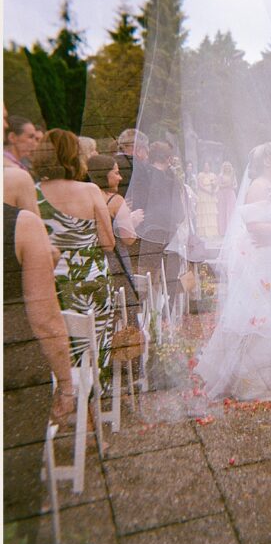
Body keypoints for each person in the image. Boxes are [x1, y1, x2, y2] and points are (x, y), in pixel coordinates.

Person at [194, 142, 271, 400]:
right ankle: (252, 380)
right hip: (262, 256)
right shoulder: (258, 186)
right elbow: (254, 225)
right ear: (268, 160)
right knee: (261, 308)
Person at [3, 201, 75, 544]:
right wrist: (66, 384)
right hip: (13, 371)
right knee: (15, 479)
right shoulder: (22, 225)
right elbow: (45, 319)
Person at [32, 129, 117, 385]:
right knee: (95, 340)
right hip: (92, 280)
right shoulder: (90, 190)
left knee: (61, 343)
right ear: (75, 157)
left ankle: (64, 392)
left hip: (52, 283)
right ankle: (93, 397)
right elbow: (109, 243)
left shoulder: (33, 192)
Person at [133, 140, 186, 304]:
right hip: (169, 232)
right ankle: (167, 308)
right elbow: (180, 213)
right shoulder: (172, 179)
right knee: (169, 273)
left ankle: (148, 310)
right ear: (168, 158)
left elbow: (138, 203)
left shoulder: (144, 175)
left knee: (147, 274)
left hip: (148, 231)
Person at [87, 154, 144, 304]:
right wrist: (133, 220)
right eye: (116, 173)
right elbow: (128, 238)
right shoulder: (115, 200)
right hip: (115, 260)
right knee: (125, 303)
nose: (120, 178)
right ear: (104, 174)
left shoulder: (84, 197)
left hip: (91, 261)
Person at [195, 160, 219, 238]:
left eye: (208, 166)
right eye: (205, 166)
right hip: (203, 195)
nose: (206, 168)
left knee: (211, 212)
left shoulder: (213, 175)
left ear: (210, 167)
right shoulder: (200, 175)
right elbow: (200, 185)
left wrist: (214, 190)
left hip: (211, 196)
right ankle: (203, 232)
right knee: (204, 212)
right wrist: (208, 191)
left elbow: (216, 184)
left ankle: (212, 231)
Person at [216, 161, 237, 236]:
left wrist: (231, 186)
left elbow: (235, 185)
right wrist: (226, 185)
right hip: (222, 194)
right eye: (226, 166)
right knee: (222, 212)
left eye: (228, 166)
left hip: (231, 194)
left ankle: (231, 230)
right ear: (224, 167)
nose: (227, 168)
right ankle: (223, 231)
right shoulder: (221, 175)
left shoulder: (232, 176)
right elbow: (218, 185)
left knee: (230, 211)